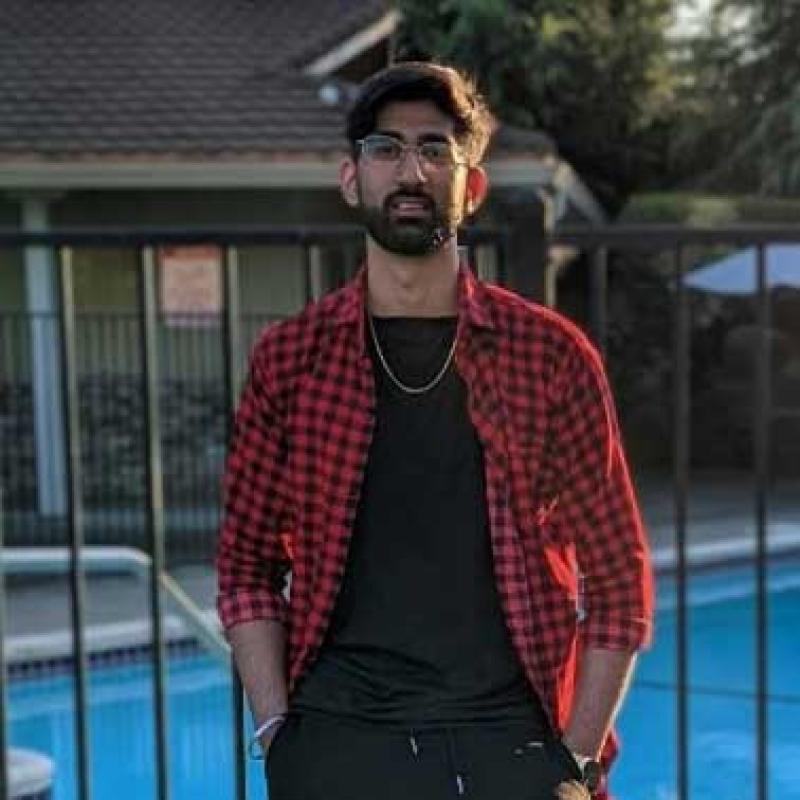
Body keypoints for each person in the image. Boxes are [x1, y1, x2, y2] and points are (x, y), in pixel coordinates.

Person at [217, 61, 653, 800]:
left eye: (433, 148)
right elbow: (246, 564)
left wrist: (576, 760)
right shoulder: (291, 360)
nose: (409, 169)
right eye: (385, 149)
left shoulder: (549, 356)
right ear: (352, 179)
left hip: (515, 737)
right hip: (339, 738)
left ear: (471, 187)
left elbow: (618, 577)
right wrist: (276, 732)